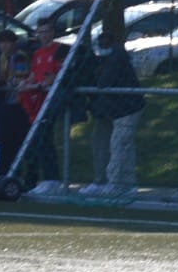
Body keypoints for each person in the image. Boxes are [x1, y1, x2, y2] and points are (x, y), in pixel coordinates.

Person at [78, 32, 145, 198]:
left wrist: (94, 74)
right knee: (100, 140)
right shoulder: (102, 59)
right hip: (110, 109)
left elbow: (104, 82)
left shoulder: (116, 58)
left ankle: (118, 183)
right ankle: (104, 180)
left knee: (119, 144)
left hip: (127, 108)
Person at [19, 16, 69, 194]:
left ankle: (52, 179)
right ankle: (34, 180)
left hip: (51, 102)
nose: (44, 35)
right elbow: (35, 74)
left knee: (45, 139)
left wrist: (48, 82)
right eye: (40, 32)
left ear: (52, 32)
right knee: (35, 141)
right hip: (37, 103)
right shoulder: (37, 53)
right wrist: (26, 83)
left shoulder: (59, 50)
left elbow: (59, 74)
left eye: (47, 31)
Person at [0, 30, 28, 182]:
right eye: (1, 42)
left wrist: (1, 82)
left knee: (18, 141)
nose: (4, 46)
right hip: (7, 103)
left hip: (20, 104)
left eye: (7, 42)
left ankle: (19, 175)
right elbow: (4, 76)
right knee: (5, 141)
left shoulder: (20, 56)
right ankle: (3, 175)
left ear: (13, 43)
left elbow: (20, 78)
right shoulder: (3, 57)